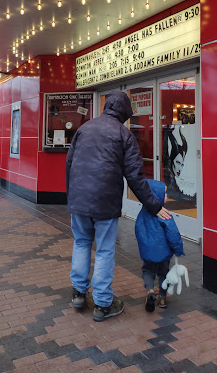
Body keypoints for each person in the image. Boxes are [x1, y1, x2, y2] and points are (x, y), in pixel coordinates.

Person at [66, 91, 171, 322]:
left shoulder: (84, 128)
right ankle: (103, 304)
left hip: (79, 200)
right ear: (124, 111)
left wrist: (71, 195)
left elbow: (70, 163)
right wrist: (154, 206)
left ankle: (78, 293)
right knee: (104, 250)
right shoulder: (124, 134)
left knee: (82, 242)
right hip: (105, 202)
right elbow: (135, 177)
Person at [135, 179, 184, 312]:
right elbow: (173, 235)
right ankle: (162, 298)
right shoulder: (165, 214)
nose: (167, 196)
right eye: (165, 194)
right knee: (164, 273)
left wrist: (144, 247)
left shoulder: (142, 214)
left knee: (147, 271)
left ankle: (150, 290)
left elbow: (138, 231)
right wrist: (178, 250)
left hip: (148, 252)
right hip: (164, 253)